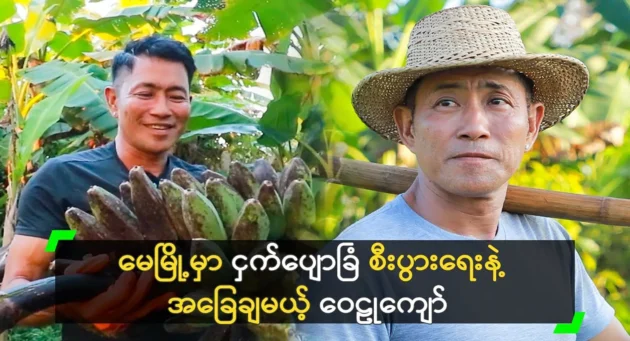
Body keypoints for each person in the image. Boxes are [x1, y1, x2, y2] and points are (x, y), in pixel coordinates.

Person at [297, 5, 630, 341]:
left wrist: (561, 328)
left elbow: (578, 327)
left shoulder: (544, 239)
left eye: (497, 101)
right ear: (408, 127)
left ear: (531, 124)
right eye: (446, 102)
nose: (475, 127)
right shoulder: (354, 270)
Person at [0, 35, 208, 340]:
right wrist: (75, 308)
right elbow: (19, 284)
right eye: (145, 93)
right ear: (113, 100)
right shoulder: (62, 180)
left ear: (189, 103)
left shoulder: (202, 188)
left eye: (176, 96)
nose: (162, 109)